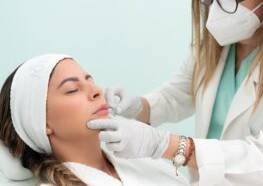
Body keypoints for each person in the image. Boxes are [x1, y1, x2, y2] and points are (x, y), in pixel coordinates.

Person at [87, 0, 263, 185]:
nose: (217, 6)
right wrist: (139, 107)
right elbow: (175, 96)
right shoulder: (214, 46)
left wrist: (165, 145)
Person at [0, 54, 190, 186]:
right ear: (41, 123)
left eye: (90, 80)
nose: (97, 90)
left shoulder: (145, 161)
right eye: (73, 89)